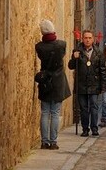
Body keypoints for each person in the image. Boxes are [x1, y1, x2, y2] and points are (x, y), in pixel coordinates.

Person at [35, 19, 71, 150]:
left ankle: (44, 142)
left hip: (45, 81)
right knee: (55, 112)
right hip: (57, 82)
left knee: (45, 112)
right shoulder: (61, 44)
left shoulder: (39, 46)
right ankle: (53, 141)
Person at [68, 30, 106, 137]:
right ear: (82, 39)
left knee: (94, 107)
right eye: (85, 38)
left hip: (94, 84)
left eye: (90, 38)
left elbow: (102, 70)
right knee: (84, 108)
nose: (87, 40)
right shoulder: (77, 51)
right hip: (81, 84)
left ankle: (94, 128)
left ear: (93, 39)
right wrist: (74, 58)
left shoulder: (98, 52)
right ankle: (85, 129)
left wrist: (103, 86)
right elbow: (70, 66)